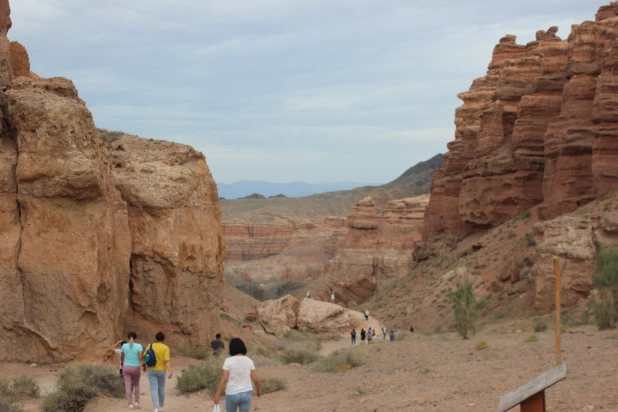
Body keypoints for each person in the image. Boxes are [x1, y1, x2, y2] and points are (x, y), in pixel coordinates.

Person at [214, 338, 261, 412]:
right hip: (246, 393)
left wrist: (217, 395)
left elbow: (225, 379)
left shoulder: (228, 361)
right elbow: (255, 379)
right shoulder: (249, 361)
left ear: (231, 348)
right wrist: (258, 390)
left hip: (232, 394)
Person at [143, 332, 172, 412]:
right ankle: (161, 406)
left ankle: (156, 407)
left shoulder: (150, 346)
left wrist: (145, 366)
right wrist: (170, 370)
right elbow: (166, 361)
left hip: (151, 370)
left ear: (155, 338)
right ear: (163, 339)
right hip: (161, 371)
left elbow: (146, 357)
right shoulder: (165, 348)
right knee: (161, 389)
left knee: (154, 389)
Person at [121, 332, 143, 410]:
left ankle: (130, 404)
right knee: (136, 384)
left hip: (126, 367)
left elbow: (122, 357)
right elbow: (140, 357)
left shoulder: (124, 345)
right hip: (136, 367)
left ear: (128, 337)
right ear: (135, 337)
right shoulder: (139, 346)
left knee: (127, 385)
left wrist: (123, 364)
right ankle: (137, 402)